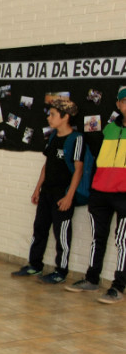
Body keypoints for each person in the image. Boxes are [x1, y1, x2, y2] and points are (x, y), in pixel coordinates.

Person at [12, 99, 83, 284]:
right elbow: (47, 165)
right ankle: (35, 265)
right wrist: (37, 189)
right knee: (40, 228)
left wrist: (69, 196)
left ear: (65, 116)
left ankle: (61, 271)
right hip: (47, 192)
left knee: (62, 233)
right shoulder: (52, 137)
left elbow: (79, 170)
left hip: (63, 194)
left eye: (52, 114)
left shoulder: (76, 139)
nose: (49, 117)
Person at [67, 87, 126, 304]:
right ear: (119, 105)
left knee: (123, 241)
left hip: (124, 196)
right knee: (97, 238)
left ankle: (118, 286)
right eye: (125, 101)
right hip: (100, 192)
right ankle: (92, 278)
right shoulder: (108, 129)